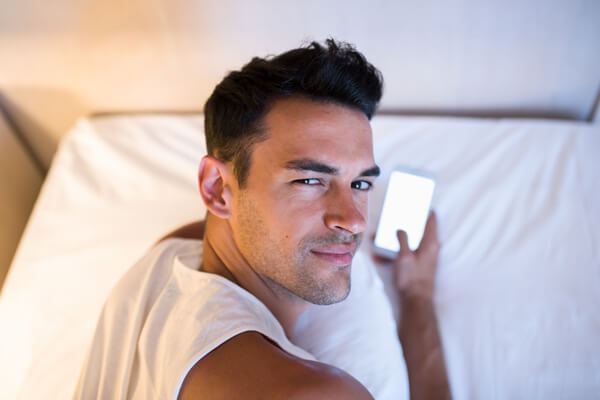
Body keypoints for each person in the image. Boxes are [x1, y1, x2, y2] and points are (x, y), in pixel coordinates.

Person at [76, 39, 450, 399]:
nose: (354, 221)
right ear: (216, 188)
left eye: (360, 183)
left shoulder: (169, 253)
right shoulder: (314, 393)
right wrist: (418, 298)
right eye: (310, 180)